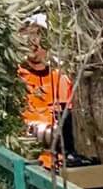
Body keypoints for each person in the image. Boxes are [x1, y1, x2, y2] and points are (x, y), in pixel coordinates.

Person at [18, 12, 76, 167]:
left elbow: (71, 125)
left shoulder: (61, 78)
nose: (33, 41)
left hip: (60, 166)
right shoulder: (15, 79)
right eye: (28, 35)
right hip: (28, 163)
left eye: (38, 34)